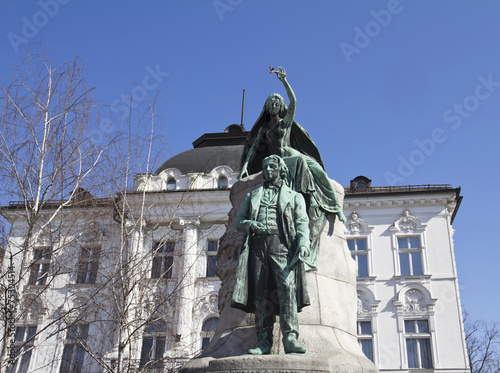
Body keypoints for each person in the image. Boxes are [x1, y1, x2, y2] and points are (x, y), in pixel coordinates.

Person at [239, 66, 346, 270]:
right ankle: (308, 195)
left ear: (281, 107)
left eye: (277, 102)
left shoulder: (285, 123)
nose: (274, 105)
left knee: (316, 169)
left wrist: (285, 82)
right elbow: (253, 151)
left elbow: (295, 102)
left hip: (291, 154)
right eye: (271, 102)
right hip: (280, 160)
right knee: (303, 164)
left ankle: (332, 205)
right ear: (267, 106)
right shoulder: (264, 129)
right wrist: (244, 167)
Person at [231, 155, 310, 355]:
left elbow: (302, 223)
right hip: (258, 246)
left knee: (287, 290)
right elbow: (238, 220)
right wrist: (249, 224)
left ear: (281, 169)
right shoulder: (253, 195)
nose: (267, 170)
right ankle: (264, 340)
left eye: (271, 166)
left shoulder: (294, 196)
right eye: (265, 166)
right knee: (261, 293)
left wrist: (302, 244)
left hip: (282, 245)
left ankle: (290, 338)